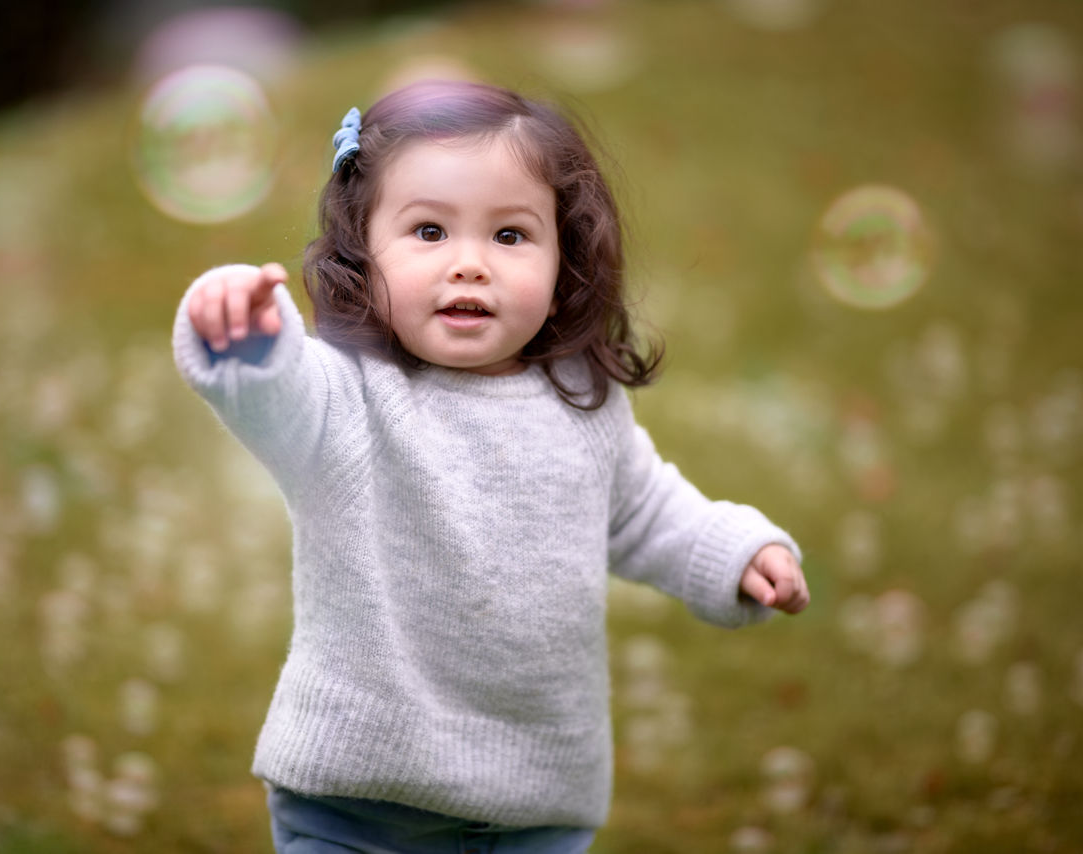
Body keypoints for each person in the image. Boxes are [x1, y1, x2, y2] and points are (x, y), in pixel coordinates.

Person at [172, 79, 809, 854]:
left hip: (537, 805)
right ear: (359, 251)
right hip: (358, 807)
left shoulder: (581, 401)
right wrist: (245, 335)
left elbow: (644, 513)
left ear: (564, 257)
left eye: (509, 236)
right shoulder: (347, 399)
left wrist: (735, 552)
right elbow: (274, 393)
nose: (469, 265)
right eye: (429, 232)